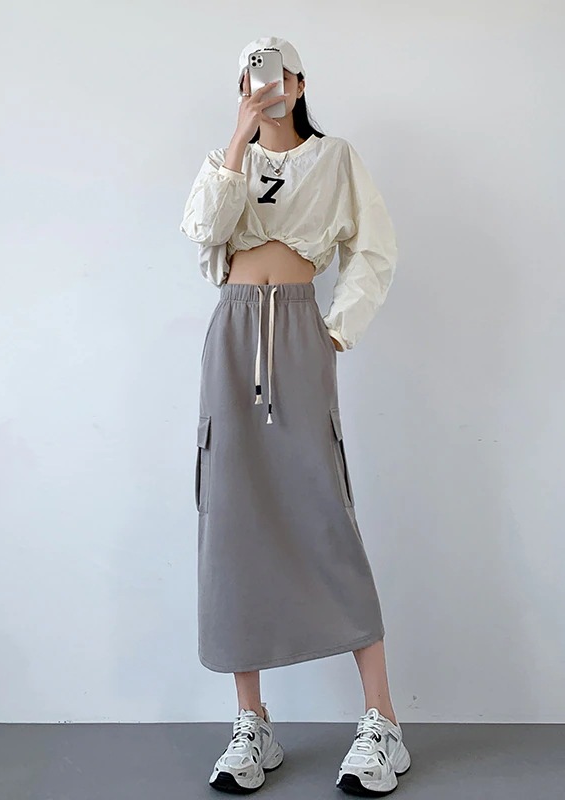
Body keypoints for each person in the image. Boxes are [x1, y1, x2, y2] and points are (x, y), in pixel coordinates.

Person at [180, 36, 411, 796]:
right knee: (232, 517)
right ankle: (252, 723)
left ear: (300, 82)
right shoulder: (229, 163)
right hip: (233, 334)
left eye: (276, 73)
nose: (265, 84)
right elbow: (204, 234)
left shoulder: (335, 159)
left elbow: (374, 249)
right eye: (251, 75)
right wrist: (238, 138)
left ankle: (382, 722)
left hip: (301, 334)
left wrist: (335, 331)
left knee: (325, 513)